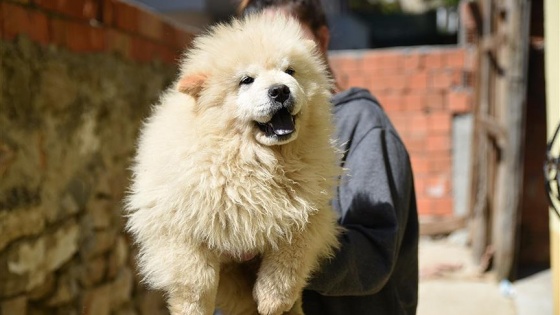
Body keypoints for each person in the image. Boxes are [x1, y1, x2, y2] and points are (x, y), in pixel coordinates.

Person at [237, 1, 419, 314]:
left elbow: (372, 258)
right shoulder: (246, 131)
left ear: (320, 41)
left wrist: (274, 258)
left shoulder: (364, 125)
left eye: (289, 40)